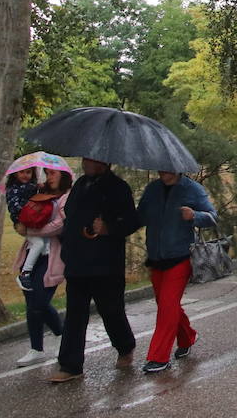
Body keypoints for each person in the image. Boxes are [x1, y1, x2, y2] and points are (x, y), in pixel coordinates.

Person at [49, 158, 140, 383]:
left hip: (105, 265)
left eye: (90, 159)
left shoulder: (119, 188)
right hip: (78, 262)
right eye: (85, 158)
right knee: (75, 315)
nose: (85, 162)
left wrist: (109, 227)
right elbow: (69, 213)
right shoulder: (80, 184)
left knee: (111, 311)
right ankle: (70, 365)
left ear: (103, 161)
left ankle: (125, 346)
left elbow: (131, 222)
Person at [134, 169, 218, 373]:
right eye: (161, 167)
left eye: (169, 168)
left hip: (181, 257)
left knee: (167, 306)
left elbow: (212, 217)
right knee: (165, 305)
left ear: (178, 168)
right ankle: (188, 336)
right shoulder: (153, 189)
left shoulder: (192, 189)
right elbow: (139, 217)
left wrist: (194, 215)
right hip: (156, 257)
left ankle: (158, 357)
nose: (164, 172)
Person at [11, 163, 74, 366]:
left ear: (62, 175)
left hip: (52, 255)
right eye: (47, 173)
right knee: (31, 302)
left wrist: (31, 231)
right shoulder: (39, 191)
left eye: (52, 173)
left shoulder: (67, 196)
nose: (49, 176)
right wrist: (20, 224)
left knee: (39, 300)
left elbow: (60, 225)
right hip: (32, 252)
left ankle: (60, 334)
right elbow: (25, 213)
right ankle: (36, 348)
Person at [3, 167, 55, 292]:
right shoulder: (13, 189)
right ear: (15, 173)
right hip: (23, 222)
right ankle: (25, 273)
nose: (25, 175)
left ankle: (39, 261)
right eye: (21, 172)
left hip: (33, 221)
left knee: (42, 244)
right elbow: (14, 207)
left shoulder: (33, 187)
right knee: (38, 243)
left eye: (28, 172)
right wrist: (27, 209)